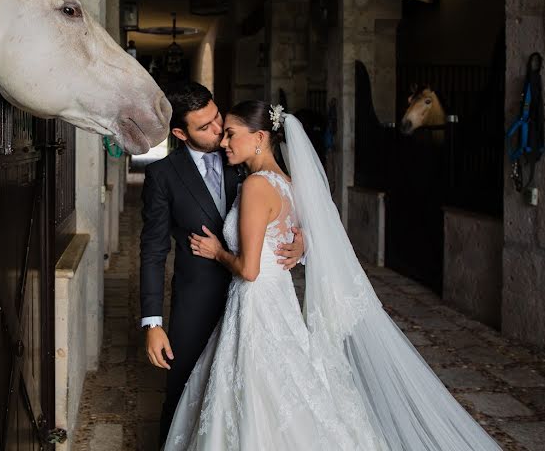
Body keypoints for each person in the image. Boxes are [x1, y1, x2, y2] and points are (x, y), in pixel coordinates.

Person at [163, 100, 501, 451]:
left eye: (231, 134)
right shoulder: (289, 184)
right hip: (280, 302)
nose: (223, 142)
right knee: (286, 389)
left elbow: (249, 270)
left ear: (260, 136)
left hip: (256, 307)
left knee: (256, 392)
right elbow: (312, 231)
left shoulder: (255, 187)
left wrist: (218, 251)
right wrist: (305, 242)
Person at [140, 83, 305, 447]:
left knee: (260, 399)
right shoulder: (163, 176)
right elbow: (152, 251)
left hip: (256, 306)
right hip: (197, 303)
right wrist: (152, 322)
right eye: (206, 127)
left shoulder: (244, 157)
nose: (218, 132)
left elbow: (291, 203)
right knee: (184, 397)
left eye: (218, 119)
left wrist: (302, 240)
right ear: (181, 133)